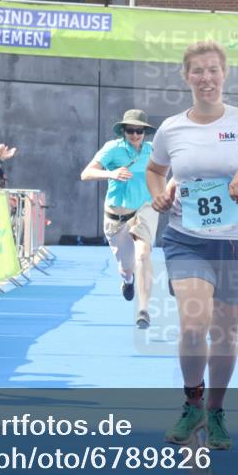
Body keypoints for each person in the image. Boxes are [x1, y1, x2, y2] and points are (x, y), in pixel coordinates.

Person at [147, 41, 238, 450]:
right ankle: (193, 402)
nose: (206, 78)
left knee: (225, 333)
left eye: (213, 70)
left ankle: (217, 411)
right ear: (186, 76)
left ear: (224, 76)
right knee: (194, 325)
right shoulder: (172, 128)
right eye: (198, 71)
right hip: (186, 238)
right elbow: (155, 170)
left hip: (236, 242)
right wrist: (159, 194)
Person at [81, 109, 160, 329]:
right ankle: (127, 280)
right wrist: (111, 173)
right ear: (123, 131)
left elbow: (164, 171)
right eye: (131, 131)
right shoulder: (112, 149)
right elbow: (86, 173)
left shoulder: (152, 151)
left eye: (140, 131)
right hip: (117, 215)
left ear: (145, 132)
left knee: (143, 254)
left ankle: (143, 310)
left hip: (144, 209)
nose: (135, 135)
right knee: (127, 267)